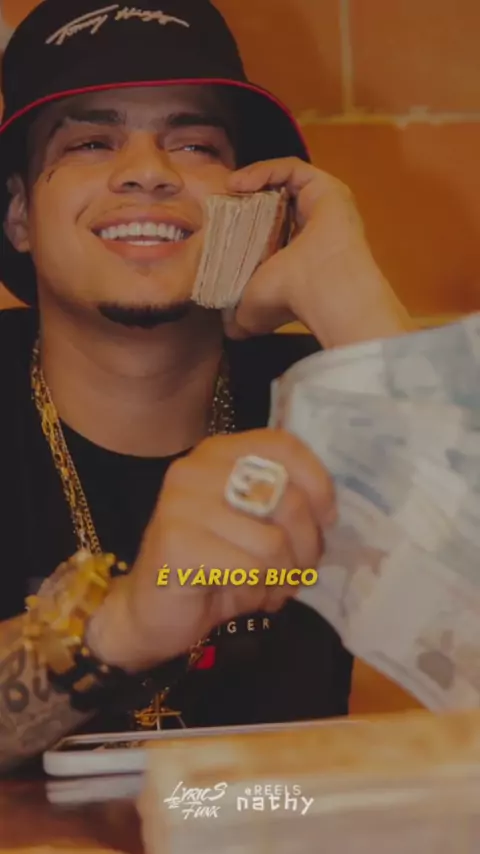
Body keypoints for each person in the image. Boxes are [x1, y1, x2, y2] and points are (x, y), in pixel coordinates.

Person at [0, 0, 413, 773]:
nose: (148, 172)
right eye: (91, 142)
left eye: (193, 144)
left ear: (256, 208)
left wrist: (351, 299)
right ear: (19, 213)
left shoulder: (334, 397)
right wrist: (117, 627)